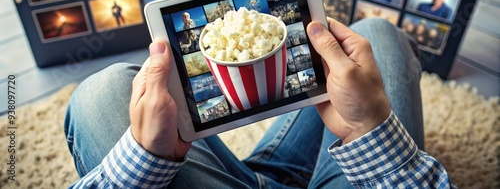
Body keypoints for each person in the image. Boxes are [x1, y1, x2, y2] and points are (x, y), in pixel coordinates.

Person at [64, 17, 455, 187]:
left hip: (255, 175)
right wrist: (368, 129)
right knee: (375, 32)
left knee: (103, 88)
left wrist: (146, 160)